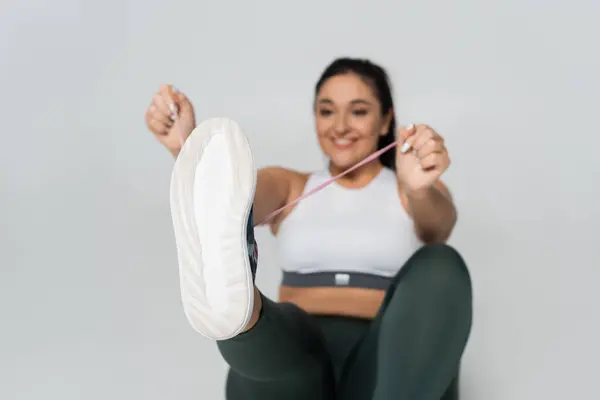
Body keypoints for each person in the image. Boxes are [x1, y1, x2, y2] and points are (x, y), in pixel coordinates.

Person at [145, 57, 473, 400]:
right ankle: (238, 315)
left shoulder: (411, 189)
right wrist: (188, 153)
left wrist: (418, 188)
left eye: (358, 111)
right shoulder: (291, 186)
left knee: (441, 263)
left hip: (387, 367)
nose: (341, 126)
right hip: (294, 363)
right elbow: (240, 199)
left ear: (385, 121)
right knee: (273, 328)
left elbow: (439, 226)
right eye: (327, 111)